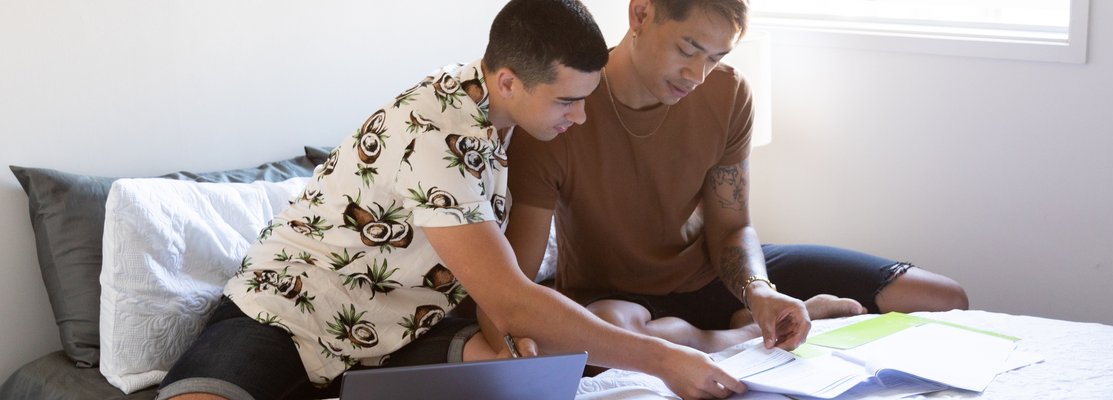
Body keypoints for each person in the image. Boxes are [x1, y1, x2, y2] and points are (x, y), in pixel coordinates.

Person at [157, 1, 747, 399]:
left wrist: (514, 333)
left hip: (400, 334)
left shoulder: (509, 117)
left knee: (531, 376)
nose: (581, 117)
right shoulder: (435, 133)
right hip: (289, 316)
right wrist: (663, 361)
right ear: (510, 81)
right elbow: (514, 299)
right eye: (568, 102)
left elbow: (507, 295)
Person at [501, 0, 969, 355]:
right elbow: (517, 280)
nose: (698, 75)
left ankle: (749, 316)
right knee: (610, 340)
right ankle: (749, 331)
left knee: (942, 297)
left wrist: (760, 291)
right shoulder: (557, 115)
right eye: (689, 49)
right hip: (616, 297)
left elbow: (731, 226)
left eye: (716, 57)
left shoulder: (729, 93)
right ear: (640, 13)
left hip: (714, 273)